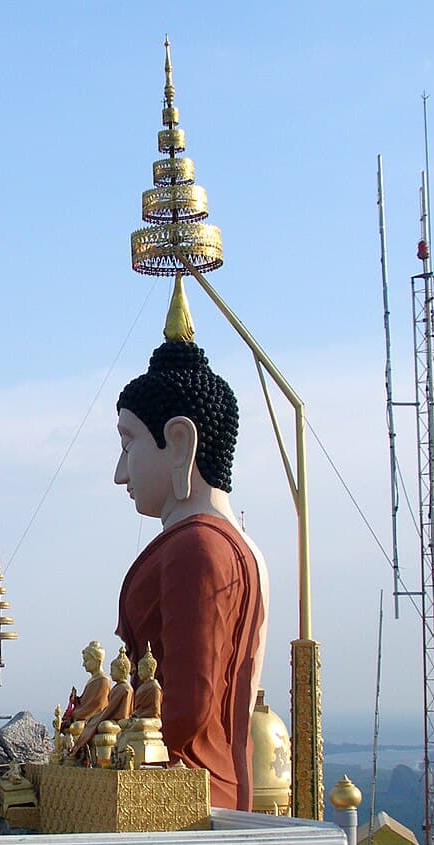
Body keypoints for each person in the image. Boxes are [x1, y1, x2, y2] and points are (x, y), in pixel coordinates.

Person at [112, 289, 268, 809]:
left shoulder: (197, 549)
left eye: (129, 444)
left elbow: (186, 709)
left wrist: (106, 745)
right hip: (205, 787)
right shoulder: (234, 544)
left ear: (179, 443)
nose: (120, 473)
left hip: (180, 797)